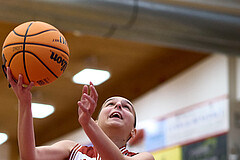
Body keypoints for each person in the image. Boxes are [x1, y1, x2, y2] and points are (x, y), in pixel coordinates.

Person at [6, 67, 155, 160]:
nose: (117, 106)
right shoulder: (71, 149)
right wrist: (24, 103)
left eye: (126, 107)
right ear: (97, 122)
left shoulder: (144, 157)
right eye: (110, 104)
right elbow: (29, 156)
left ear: (133, 132)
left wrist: (87, 123)